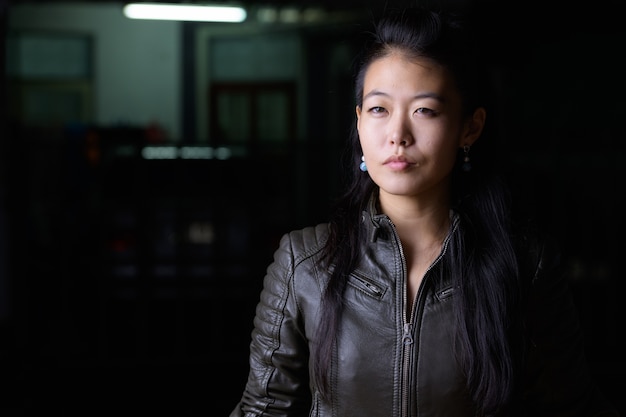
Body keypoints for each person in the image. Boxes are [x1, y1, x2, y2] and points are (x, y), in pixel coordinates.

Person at [229, 6, 620, 417]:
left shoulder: (524, 267)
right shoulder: (304, 263)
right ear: (359, 122)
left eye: (425, 111)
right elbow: (264, 409)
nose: (398, 135)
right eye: (379, 109)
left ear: (470, 127)